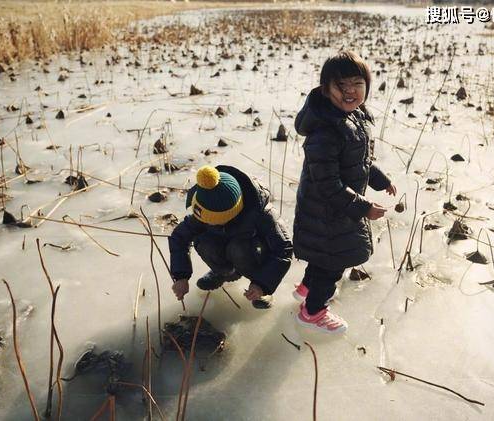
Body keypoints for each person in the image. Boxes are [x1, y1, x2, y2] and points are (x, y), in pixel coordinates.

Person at [292, 51, 397, 333]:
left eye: (356, 83)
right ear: (326, 90)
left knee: (322, 256)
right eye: (341, 85)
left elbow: (358, 162)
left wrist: (379, 179)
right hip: (327, 211)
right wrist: (363, 207)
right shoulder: (326, 131)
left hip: (333, 210)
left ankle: (305, 288)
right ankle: (312, 311)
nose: (350, 91)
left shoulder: (353, 118)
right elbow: (328, 184)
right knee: (333, 263)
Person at [169, 165, 293, 309]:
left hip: (252, 252)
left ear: (231, 213)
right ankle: (223, 273)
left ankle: (261, 289)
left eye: (212, 220)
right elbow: (179, 237)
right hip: (223, 244)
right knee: (204, 243)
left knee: (238, 249)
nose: (205, 222)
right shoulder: (204, 208)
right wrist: (181, 276)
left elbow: (284, 249)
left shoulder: (262, 214)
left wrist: (262, 284)